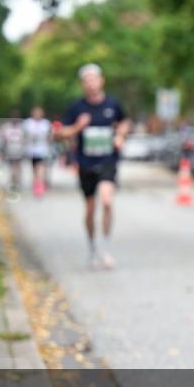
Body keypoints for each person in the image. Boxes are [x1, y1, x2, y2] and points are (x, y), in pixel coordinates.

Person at [58, 64, 130, 269]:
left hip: (107, 160)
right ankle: (92, 248)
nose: (91, 83)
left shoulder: (112, 104)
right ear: (83, 84)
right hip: (86, 163)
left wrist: (120, 135)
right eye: (86, 80)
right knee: (90, 209)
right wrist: (77, 127)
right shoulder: (77, 108)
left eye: (94, 78)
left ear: (101, 81)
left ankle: (105, 247)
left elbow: (124, 122)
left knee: (107, 201)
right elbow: (60, 133)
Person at [24, 106, 52, 198]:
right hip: (31, 150)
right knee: (34, 169)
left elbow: (50, 136)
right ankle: (36, 183)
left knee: (40, 168)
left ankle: (40, 186)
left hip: (42, 150)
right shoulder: (28, 123)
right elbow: (24, 136)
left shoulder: (46, 124)